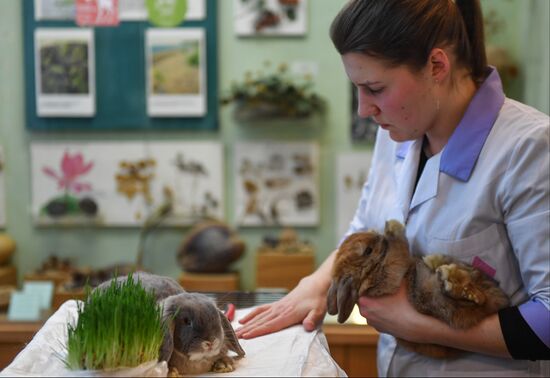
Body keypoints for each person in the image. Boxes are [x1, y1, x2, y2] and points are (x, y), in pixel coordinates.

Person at [235, 0, 550, 375]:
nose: (363, 110)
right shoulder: (399, 133)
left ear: (437, 66)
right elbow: (366, 230)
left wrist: (417, 325)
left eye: (375, 88)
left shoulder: (529, 149)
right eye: (357, 89)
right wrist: (315, 284)